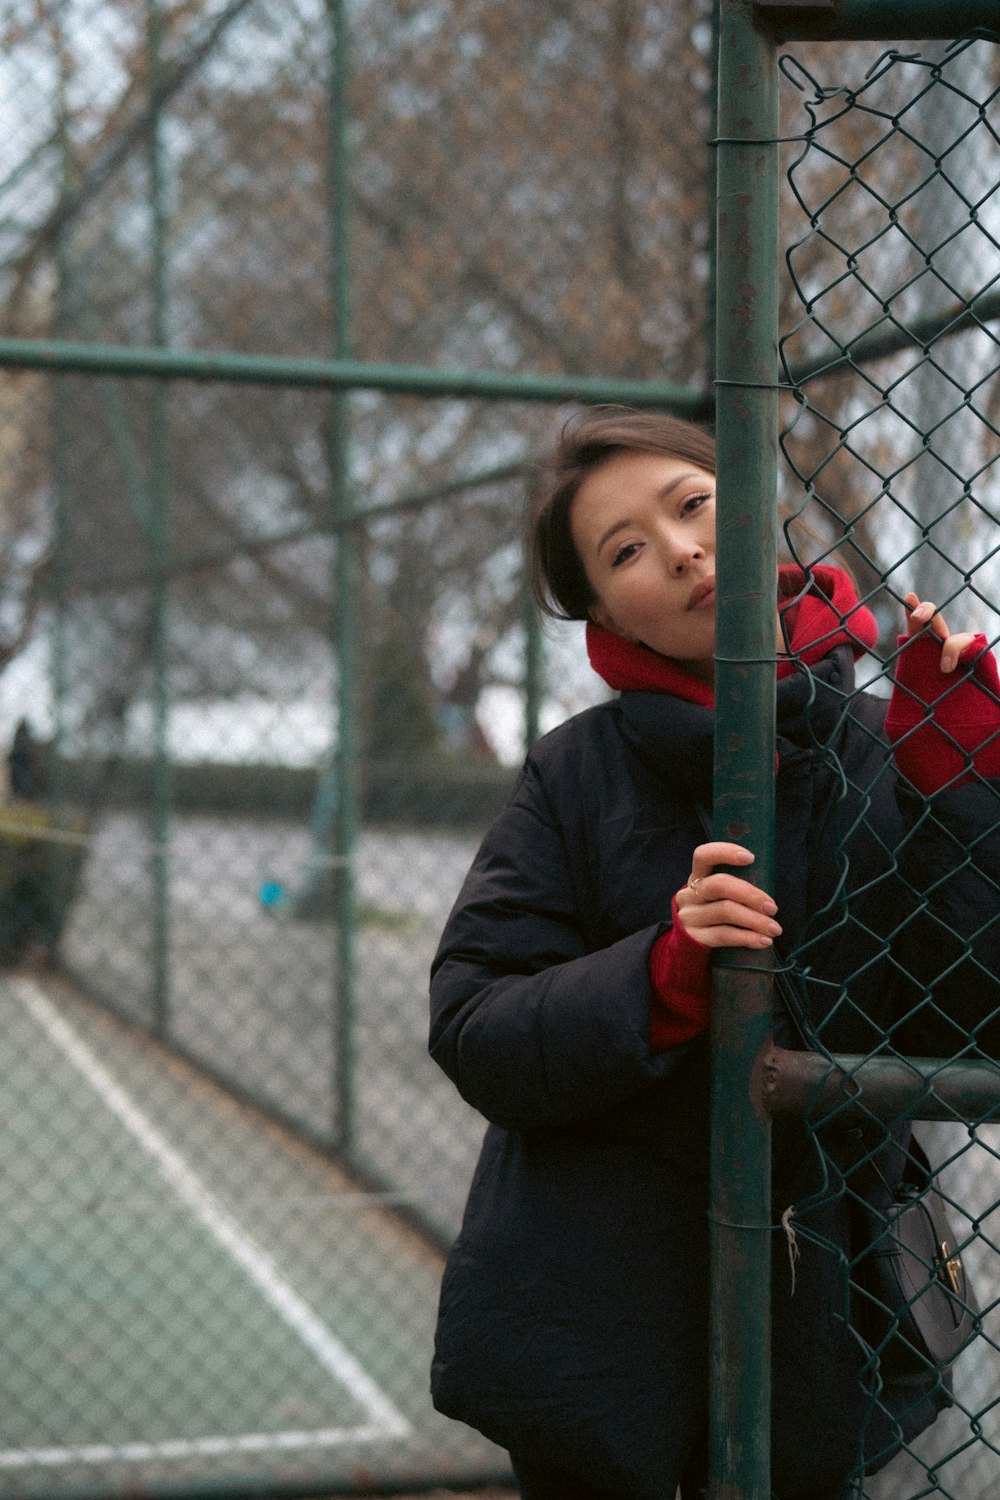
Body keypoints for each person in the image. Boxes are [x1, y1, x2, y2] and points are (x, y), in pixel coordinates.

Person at [428, 407, 1000, 1500]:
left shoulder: (890, 738)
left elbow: (969, 1017)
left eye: (693, 507)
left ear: (754, 512)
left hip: (818, 1320)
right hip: (594, 1323)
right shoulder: (574, 774)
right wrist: (661, 974)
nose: (682, 550)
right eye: (626, 551)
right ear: (600, 609)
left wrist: (957, 793)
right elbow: (473, 1026)